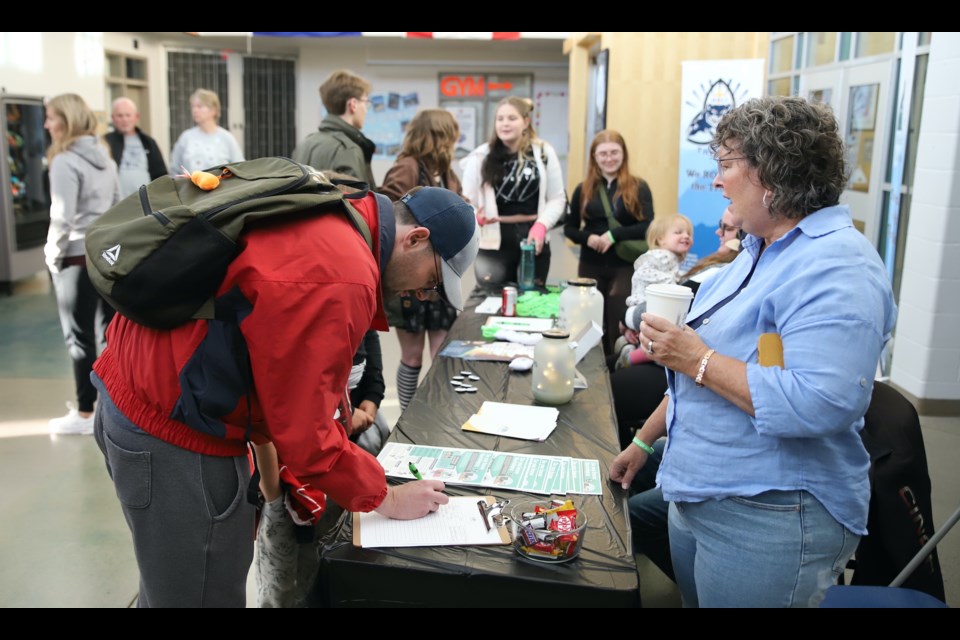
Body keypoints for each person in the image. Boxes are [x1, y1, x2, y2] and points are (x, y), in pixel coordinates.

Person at [92, 185, 479, 607]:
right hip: (170, 431)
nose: (422, 295)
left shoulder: (341, 210)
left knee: (171, 586)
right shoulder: (342, 273)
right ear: (416, 238)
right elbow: (305, 435)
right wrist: (385, 496)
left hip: (139, 389)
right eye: (431, 280)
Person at [609, 96, 897, 607]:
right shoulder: (757, 252)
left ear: (773, 173)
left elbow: (818, 402)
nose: (717, 182)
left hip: (770, 515)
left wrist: (694, 356)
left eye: (725, 166)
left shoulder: (837, 268)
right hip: (702, 495)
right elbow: (699, 372)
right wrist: (646, 443)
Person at [43, 93, 120, 435]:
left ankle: (86, 414)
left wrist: (52, 254)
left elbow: (61, 215)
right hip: (104, 255)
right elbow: (118, 204)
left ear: (67, 121)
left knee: (78, 336)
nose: (46, 125)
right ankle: (111, 405)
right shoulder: (104, 155)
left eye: (50, 118)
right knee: (109, 334)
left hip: (74, 255)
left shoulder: (64, 160)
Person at [380, 108, 464, 410]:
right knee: (412, 356)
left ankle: (437, 413)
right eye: (452, 135)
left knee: (442, 353)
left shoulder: (448, 173)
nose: (455, 142)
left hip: (437, 277)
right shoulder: (408, 167)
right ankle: (407, 414)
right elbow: (387, 209)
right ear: (440, 136)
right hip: (412, 272)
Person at [461, 96, 566, 288]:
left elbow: (558, 198)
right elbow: (466, 202)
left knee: (532, 298)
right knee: (491, 300)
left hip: (534, 240)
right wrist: (476, 216)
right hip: (493, 242)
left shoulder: (543, 153)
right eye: (500, 119)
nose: (505, 124)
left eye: (512, 118)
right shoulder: (480, 156)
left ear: (526, 121)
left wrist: (542, 225)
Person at [564, 130, 654, 353]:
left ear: (623, 154)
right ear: (594, 157)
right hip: (590, 262)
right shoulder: (583, 189)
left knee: (617, 314)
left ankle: (615, 369)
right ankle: (589, 364)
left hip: (624, 264)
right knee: (587, 319)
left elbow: (647, 226)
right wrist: (589, 238)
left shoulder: (638, 187)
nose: (609, 158)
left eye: (614, 152)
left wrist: (614, 235)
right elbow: (570, 228)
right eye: (602, 153)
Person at [614, 213, 693, 369]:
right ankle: (630, 357)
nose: (686, 236)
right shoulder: (663, 255)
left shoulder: (670, 257)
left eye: (688, 233)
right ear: (660, 239)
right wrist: (673, 284)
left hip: (640, 304)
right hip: (644, 303)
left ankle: (628, 351)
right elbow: (643, 271)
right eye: (678, 232)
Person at [292, 70, 376, 188]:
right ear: (353, 105)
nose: (366, 109)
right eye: (366, 102)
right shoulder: (348, 149)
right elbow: (356, 202)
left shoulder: (304, 144)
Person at [169, 88, 244, 174]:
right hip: (191, 186)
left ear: (213, 110)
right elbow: (175, 169)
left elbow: (240, 168)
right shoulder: (186, 137)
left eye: (199, 106)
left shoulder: (227, 138)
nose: (195, 110)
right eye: (193, 106)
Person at [104, 97, 168, 198]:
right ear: (113, 118)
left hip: (145, 202)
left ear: (136, 117)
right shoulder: (105, 142)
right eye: (120, 115)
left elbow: (160, 175)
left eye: (128, 115)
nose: (124, 119)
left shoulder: (148, 142)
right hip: (116, 203)